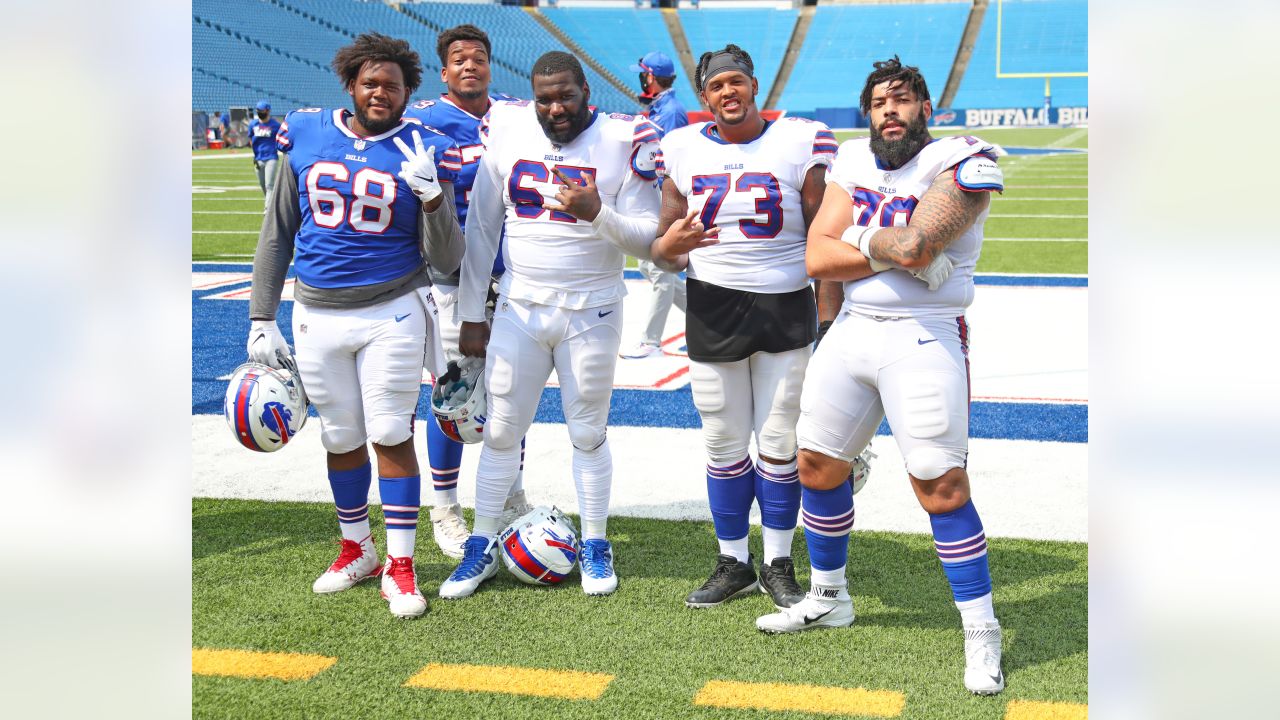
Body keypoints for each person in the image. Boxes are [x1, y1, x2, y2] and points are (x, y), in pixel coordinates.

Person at [753, 57, 1007, 696]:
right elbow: (818, 256)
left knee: (939, 484)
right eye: (878, 103)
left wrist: (869, 242)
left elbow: (922, 248)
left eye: (902, 100)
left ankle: (981, 630)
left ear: (926, 108)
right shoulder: (852, 160)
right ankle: (830, 596)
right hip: (851, 333)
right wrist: (886, 244)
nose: (889, 111)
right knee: (816, 464)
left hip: (925, 335)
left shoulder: (961, 160)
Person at [246, 33, 466, 619]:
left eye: (392, 85)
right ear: (351, 84)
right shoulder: (310, 132)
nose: (381, 93)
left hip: (392, 308)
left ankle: (400, 563)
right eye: (371, 82)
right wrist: (261, 314)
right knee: (339, 437)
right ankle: (356, 548)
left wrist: (433, 202)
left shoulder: (426, 145)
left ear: (407, 91)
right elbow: (278, 232)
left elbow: (448, 260)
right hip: (315, 311)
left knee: (391, 429)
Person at [437, 51, 664, 600]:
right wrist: (471, 314)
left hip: (594, 310)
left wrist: (597, 213)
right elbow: (484, 228)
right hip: (520, 306)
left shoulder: (621, 137)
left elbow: (650, 235)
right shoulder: (509, 127)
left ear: (586, 90)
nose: (556, 107)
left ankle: (594, 541)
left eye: (566, 95)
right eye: (545, 98)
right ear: (531, 96)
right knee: (500, 431)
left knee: (587, 432)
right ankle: (482, 543)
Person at [649, 44, 837, 612]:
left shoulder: (800, 140)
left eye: (736, 81)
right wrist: (668, 247)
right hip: (713, 303)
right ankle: (734, 559)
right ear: (704, 97)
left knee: (779, 443)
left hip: (784, 303)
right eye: (715, 86)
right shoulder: (679, 147)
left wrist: (828, 320)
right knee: (723, 440)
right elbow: (663, 249)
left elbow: (825, 236)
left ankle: (779, 561)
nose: (727, 92)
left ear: (754, 86)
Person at [404, 24, 533, 559]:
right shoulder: (425, 121)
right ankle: (446, 506)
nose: (469, 66)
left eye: (478, 57)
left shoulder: (514, 115)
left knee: (514, 389)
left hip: (518, 274)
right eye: (459, 59)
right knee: (455, 392)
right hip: (452, 277)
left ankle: (509, 495)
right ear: (444, 71)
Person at [620, 51, 689, 360]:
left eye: (643, 74)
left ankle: (651, 342)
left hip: (664, 197)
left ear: (650, 76)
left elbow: (671, 159)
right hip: (654, 194)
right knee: (652, 267)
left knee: (660, 272)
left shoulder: (671, 111)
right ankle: (709, 313)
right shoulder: (660, 108)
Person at [248, 100, 282, 210]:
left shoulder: (275, 125)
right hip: (258, 158)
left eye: (262, 110)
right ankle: (272, 204)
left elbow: (281, 138)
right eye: (258, 110)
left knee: (269, 185)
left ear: (268, 111)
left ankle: (268, 209)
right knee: (263, 185)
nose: (260, 112)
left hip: (271, 157)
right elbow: (251, 140)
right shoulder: (253, 124)